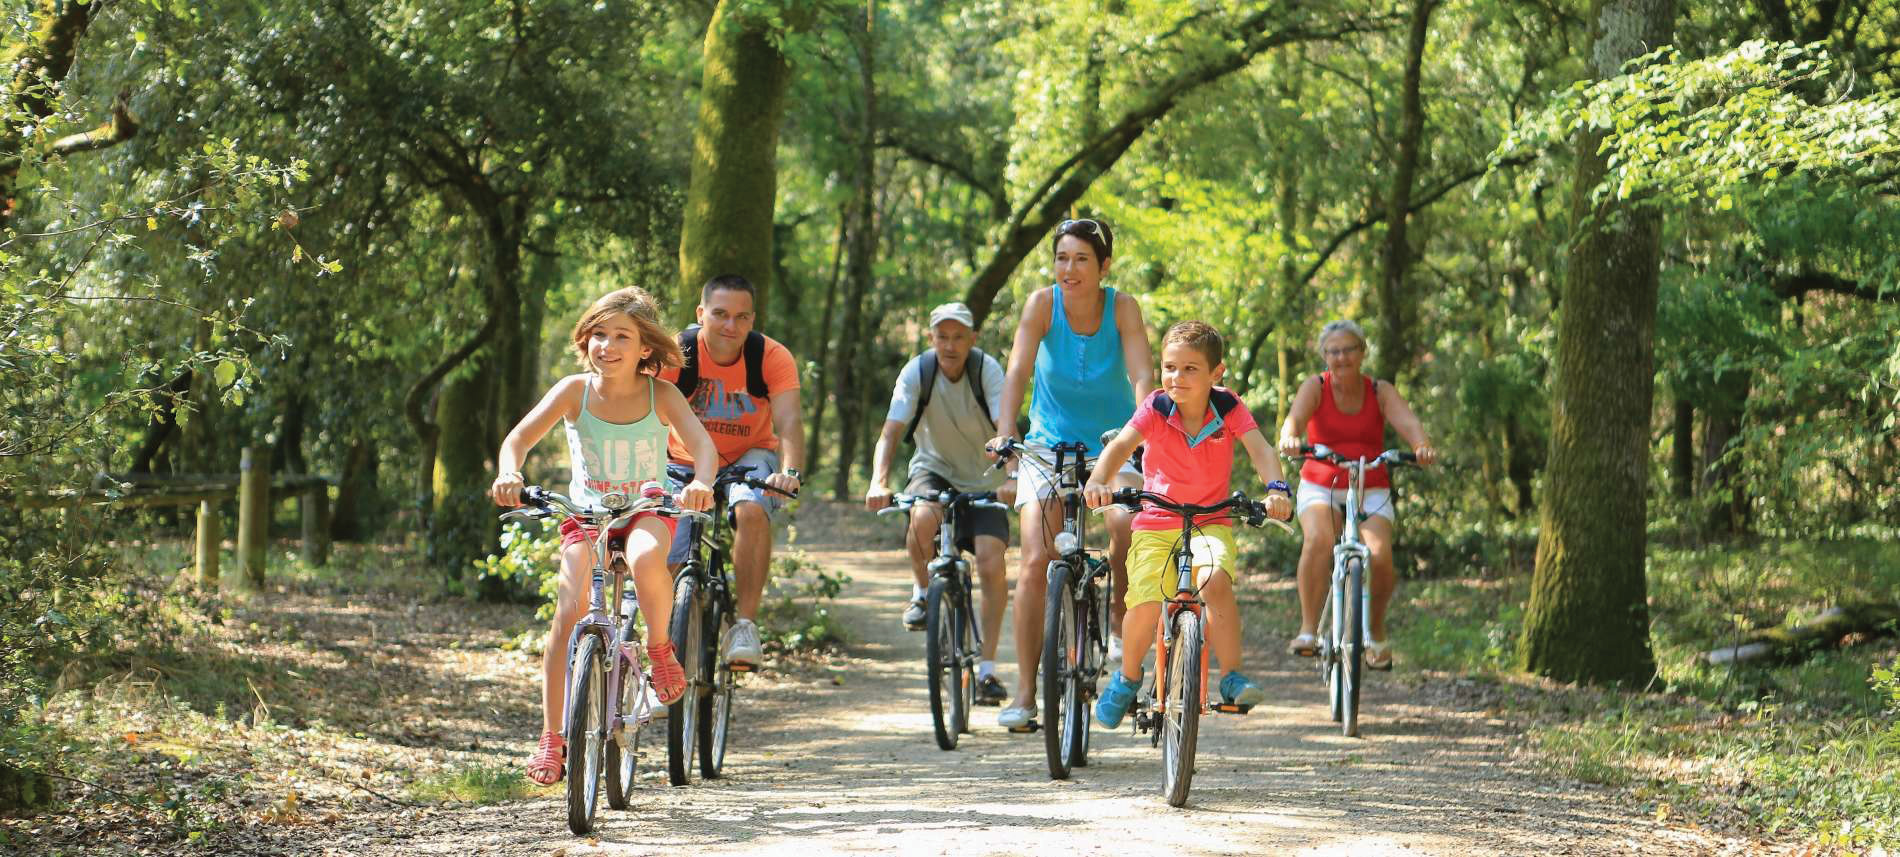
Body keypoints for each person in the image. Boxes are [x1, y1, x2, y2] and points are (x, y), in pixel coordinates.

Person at [490, 286, 717, 786]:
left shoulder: (662, 394)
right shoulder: (574, 391)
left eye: (621, 336)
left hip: (646, 510)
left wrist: (701, 481)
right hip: (586, 516)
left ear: (645, 349)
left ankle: (659, 647)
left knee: (643, 557)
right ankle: (553, 737)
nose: (607, 346)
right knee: (567, 614)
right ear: (584, 340)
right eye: (598, 334)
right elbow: (518, 439)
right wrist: (510, 472)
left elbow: (702, 445)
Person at [1085, 321, 1294, 726]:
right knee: (1145, 602)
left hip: (1210, 520)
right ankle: (1128, 677)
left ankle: (1231, 676)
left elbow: (1261, 449)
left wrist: (1277, 489)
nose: (1176, 378)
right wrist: (1098, 482)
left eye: (1190, 369)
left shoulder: (1229, 407)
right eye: (1169, 367)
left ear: (1216, 373)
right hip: (1156, 520)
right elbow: (1121, 446)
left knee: (1215, 580)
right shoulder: (1156, 407)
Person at [988, 218, 1153, 730]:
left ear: (1104, 267)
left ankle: (1125, 638)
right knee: (1036, 558)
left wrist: (1146, 428)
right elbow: (1017, 371)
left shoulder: (1122, 308)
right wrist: (1003, 432)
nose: (1070, 269)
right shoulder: (1041, 305)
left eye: (1082, 259)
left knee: (1126, 528)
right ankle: (1024, 693)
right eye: (1062, 258)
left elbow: (1143, 374)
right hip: (1047, 443)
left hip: (1113, 442)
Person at [866, 302, 1014, 705]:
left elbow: (1007, 429)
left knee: (990, 561)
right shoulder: (918, 371)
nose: (949, 345)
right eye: (941, 336)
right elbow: (891, 431)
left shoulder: (987, 372)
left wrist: (1014, 476)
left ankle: (986, 670)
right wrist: (879, 479)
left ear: (972, 339)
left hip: (987, 478)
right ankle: (922, 592)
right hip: (934, 468)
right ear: (932, 338)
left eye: (958, 337)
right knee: (921, 518)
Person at [658, 274, 805, 668]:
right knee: (670, 553)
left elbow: (789, 420)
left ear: (752, 320)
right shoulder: (678, 353)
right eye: (720, 314)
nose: (730, 326)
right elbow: (649, 414)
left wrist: (789, 471)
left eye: (741, 317)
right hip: (682, 460)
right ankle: (670, 644)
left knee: (751, 509)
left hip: (749, 454)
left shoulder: (770, 356)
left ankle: (745, 625)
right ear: (700, 313)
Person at [1275, 320, 1435, 670]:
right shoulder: (1315, 386)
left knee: (1379, 555)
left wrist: (1420, 445)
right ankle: (1307, 630)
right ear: (1324, 356)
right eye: (1334, 351)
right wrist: (1290, 437)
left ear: (1362, 352)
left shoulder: (1379, 390)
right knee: (1318, 540)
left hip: (1369, 484)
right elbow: (1294, 420)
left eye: (1349, 349)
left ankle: (1375, 634)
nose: (1341, 357)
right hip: (1322, 481)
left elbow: (1406, 421)